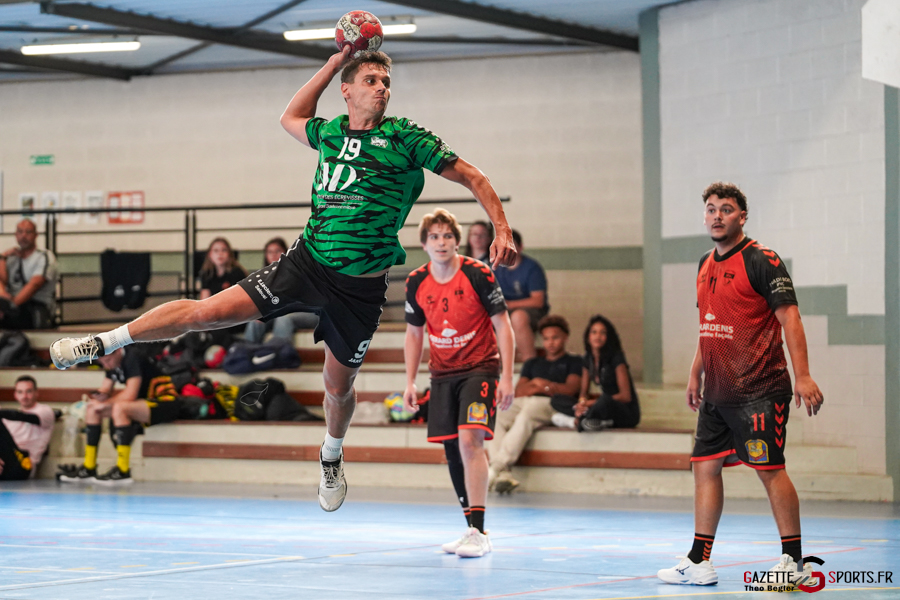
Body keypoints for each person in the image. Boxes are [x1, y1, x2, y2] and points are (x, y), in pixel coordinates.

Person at [50, 48, 516, 512]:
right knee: (206, 313)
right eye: (371, 80)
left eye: (386, 82)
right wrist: (335, 61)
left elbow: (473, 176)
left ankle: (330, 456)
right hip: (306, 262)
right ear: (347, 90)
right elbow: (291, 115)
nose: (382, 89)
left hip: (359, 287)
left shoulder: (405, 137)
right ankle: (102, 342)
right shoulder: (330, 132)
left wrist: (501, 227)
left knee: (338, 387)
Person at [657, 182, 824, 588]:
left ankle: (794, 560)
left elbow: (791, 319)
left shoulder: (763, 260)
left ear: (741, 217)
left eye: (726, 209)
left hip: (759, 390)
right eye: (711, 209)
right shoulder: (703, 263)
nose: (717, 216)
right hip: (717, 391)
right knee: (704, 467)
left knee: (769, 470)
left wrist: (802, 375)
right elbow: (710, 325)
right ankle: (699, 560)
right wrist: (696, 371)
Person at [403, 208, 515, 558]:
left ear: (457, 240)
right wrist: (409, 381)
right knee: (452, 449)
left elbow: (503, 324)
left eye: (447, 236)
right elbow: (413, 334)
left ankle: (479, 532)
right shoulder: (416, 282)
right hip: (442, 374)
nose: (441, 242)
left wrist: (508, 376)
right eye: (434, 237)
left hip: (480, 368)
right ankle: (471, 528)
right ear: (424, 244)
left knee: (470, 440)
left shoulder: (478, 273)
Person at [59, 347, 179, 486]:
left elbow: (130, 394)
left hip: (164, 402)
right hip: (142, 403)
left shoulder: (132, 357)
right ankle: (89, 466)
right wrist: (99, 397)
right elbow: (106, 388)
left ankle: (123, 470)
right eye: (103, 363)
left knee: (119, 408)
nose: (107, 366)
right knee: (92, 408)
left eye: (108, 361)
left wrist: (106, 403)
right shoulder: (112, 362)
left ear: (118, 351)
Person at [488, 314, 581, 493]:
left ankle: (496, 466)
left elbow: (570, 389)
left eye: (555, 337)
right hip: (525, 400)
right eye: (546, 339)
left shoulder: (574, 361)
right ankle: (503, 475)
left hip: (549, 404)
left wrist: (540, 386)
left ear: (565, 337)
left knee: (527, 414)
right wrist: (540, 384)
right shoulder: (533, 363)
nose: (550, 343)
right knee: (496, 414)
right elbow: (518, 391)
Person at [551, 315, 640, 431]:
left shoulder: (616, 358)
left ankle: (581, 421)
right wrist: (582, 404)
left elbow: (625, 396)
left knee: (604, 400)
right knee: (556, 399)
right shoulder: (588, 359)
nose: (598, 336)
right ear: (588, 337)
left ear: (608, 337)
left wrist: (591, 403)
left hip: (622, 410)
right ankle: (585, 419)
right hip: (599, 407)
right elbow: (583, 393)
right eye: (594, 332)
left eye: (602, 333)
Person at [244, 237, 318, 342]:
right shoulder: (263, 277)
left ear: (286, 251)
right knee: (256, 320)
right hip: (280, 312)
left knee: (283, 319)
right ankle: (246, 354)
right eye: (270, 252)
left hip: (309, 311)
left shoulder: (298, 271)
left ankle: (279, 353)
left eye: (277, 251)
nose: (273, 255)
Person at [493, 230, 548, 362]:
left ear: (520, 247)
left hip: (533, 313)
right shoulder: (497, 268)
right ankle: (491, 362)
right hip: (505, 309)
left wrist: (510, 304)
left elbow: (538, 301)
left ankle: (529, 362)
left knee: (518, 317)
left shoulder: (532, 268)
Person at [0, 218, 58, 329]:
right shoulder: (11, 258)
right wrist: (2, 258)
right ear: (15, 235)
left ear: (36, 235)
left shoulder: (44, 257)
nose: (23, 236)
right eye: (20, 232)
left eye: (28, 232)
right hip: (9, 306)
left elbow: (34, 285)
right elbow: (2, 281)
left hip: (36, 308)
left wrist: (9, 306)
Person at [0, 375, 55, 480]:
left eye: (28, 391)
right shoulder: (7, 419)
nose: (24, 396)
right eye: (20, 392)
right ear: (15, 395)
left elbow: (24, 416)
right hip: (7, 462)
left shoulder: (45, 411)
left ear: (36, 393)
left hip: (24, 465)